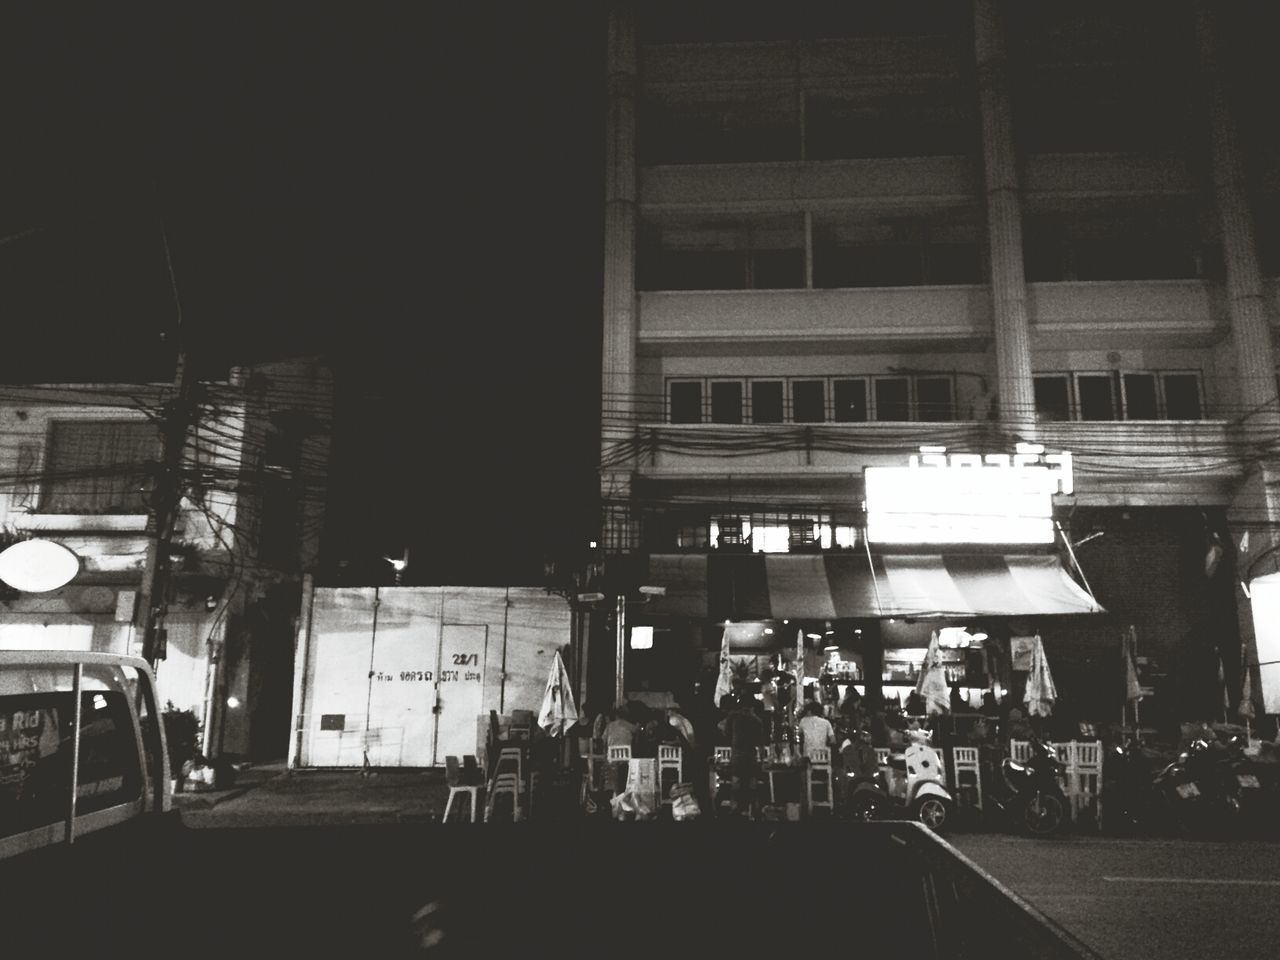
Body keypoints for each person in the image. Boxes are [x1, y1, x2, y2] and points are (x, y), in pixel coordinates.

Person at [718, 695, 765, 816]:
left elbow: (727, 734)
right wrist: (762, 758)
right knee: (752, 782)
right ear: (752, 707)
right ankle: (753, 808)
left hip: (737, 753)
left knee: (736, 781)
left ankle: (735, 807)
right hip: (750, 754)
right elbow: (760, 742)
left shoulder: (733, 718)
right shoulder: (756, 720)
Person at [604, 703, 638, 793]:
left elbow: (603, 740)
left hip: (611, 759)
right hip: (626, 759)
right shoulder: (629, 726)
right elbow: (638, 733)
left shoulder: (609, 726)